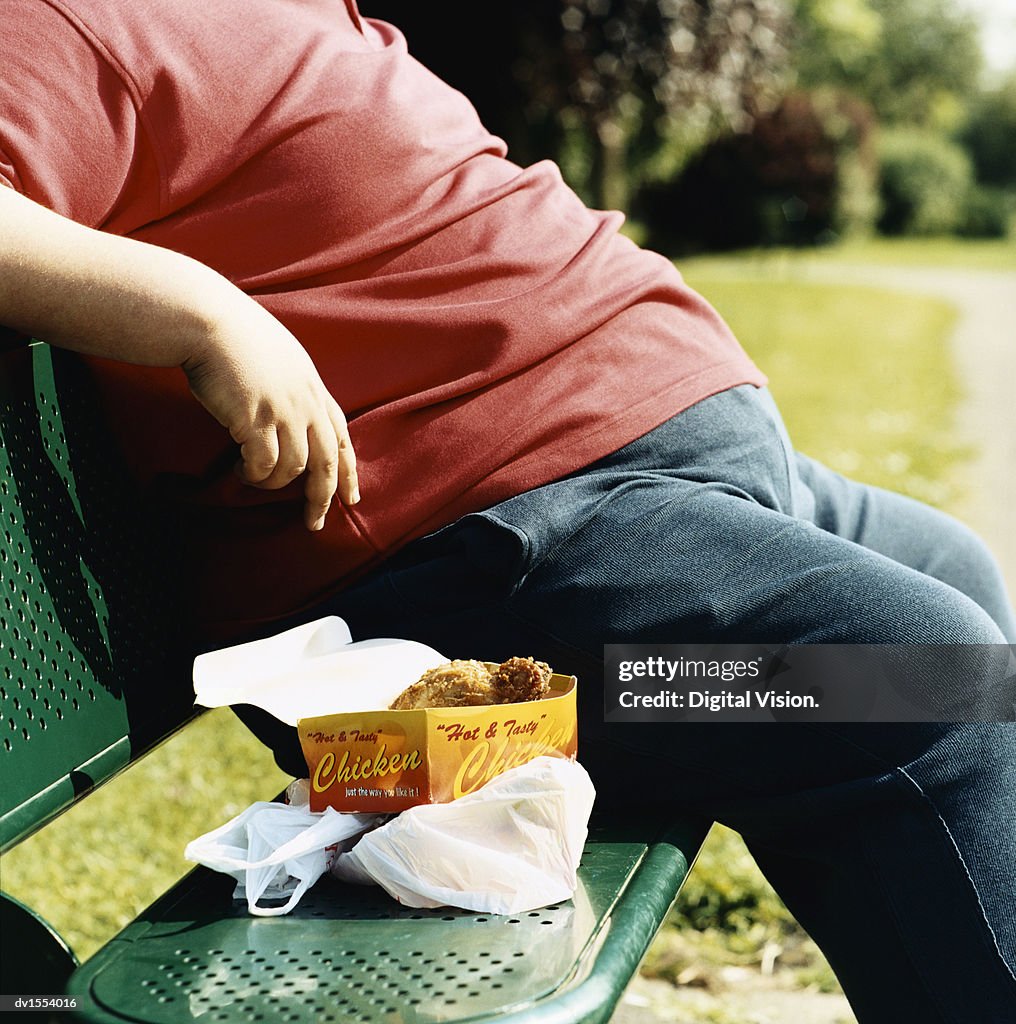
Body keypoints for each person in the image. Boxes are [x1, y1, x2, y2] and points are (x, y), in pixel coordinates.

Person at [1, 2, 1013, 1021]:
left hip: (666, 502)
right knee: (907, 683)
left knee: (949, 573)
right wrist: (200, 310)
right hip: (507, 611)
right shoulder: (58, 20)